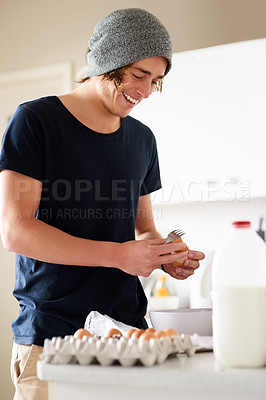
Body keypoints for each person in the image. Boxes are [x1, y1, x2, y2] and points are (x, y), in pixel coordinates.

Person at [0, 8, 205, 400]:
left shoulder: (143, 140)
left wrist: (165, 255)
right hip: (53, 339)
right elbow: (16, 231)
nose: (145, 92)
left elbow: (143, 229)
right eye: (139, 75)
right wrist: (118, 255)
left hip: (129, 337)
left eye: (156, 81)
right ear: (108, 60)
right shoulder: (36, 121)